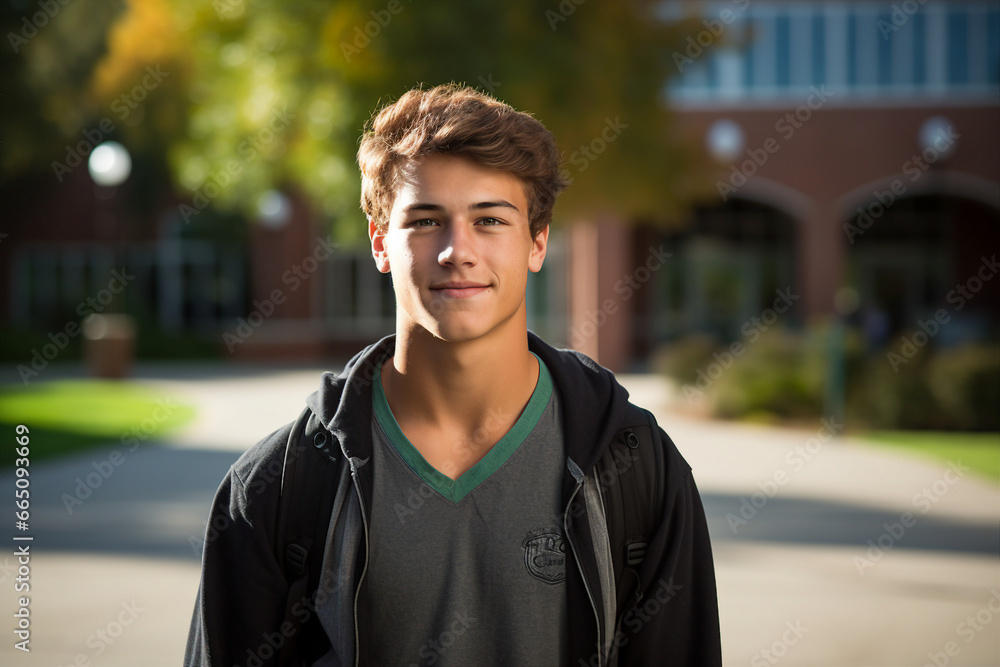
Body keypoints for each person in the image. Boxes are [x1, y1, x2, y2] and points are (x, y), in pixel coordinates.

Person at [185, 83, 721, 667]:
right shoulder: (276, 488)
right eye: (426, 220)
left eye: (490, 219)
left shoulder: (637, 470)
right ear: (379, 242)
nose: (456, 250)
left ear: (537, 242)